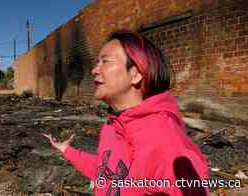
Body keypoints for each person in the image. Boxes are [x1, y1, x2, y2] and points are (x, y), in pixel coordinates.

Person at [44, 31, 209, 196]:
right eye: (97, 62)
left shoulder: (167, 143)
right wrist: (68, 150)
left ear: (135, 75)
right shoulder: (111, 126)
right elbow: (107, 173)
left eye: (105, 62)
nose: (95, 70)